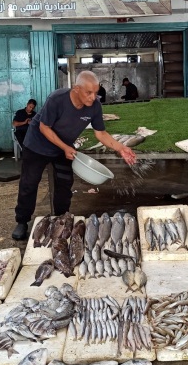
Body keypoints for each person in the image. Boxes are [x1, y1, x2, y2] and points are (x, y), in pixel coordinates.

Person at [12, 71, 137, 240]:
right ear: (76, 89)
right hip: (37, 144)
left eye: (96, 92)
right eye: (89, 92)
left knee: (64, 184)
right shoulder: (57, 99)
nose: (94, 97)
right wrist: (65, 147)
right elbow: (44, 128)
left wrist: (121, 148)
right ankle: (22, 221)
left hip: (62, 147)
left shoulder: (94, 106)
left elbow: (101, 133)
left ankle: (62, 219)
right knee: (29, 183)